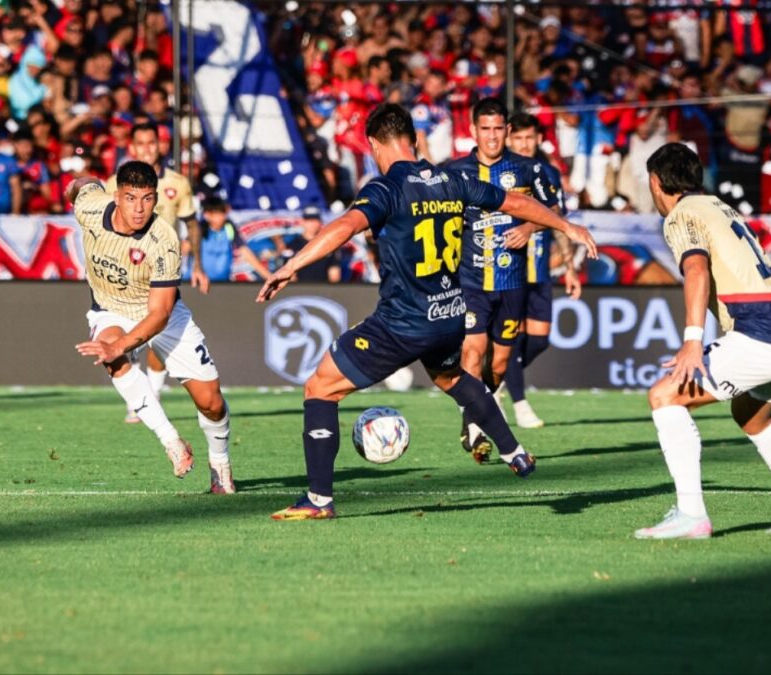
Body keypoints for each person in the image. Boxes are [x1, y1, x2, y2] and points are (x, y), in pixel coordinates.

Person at [256, 103, 598, 520]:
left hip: (404, 322)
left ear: (374, 144)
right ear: (414, 140)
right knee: (451, 376)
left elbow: (345, 226)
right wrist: (567, 226)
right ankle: (516, 453)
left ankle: (318, 500)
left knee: (320, 388)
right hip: (451, 313)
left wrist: (292, 265)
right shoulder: (454, 179)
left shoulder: (386, 188)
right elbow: (514, 203)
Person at [636, 143, 771, 540]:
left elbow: (695, 270)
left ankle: (692, 516)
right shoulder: (720, 207)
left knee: (664, 396)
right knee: (752, 415)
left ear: (656, 183)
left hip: (761, 332)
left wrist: (693, 341)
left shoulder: (682, 215)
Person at [67, 161, 236, 494]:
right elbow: (80, 186)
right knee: (111, 355)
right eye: (130, 198)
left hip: (164, 315)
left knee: (211, 402)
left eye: (147, 199)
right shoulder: (89, 208)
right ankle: (172, 441)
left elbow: (159, 313)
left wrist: (122, 344)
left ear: (155, 198)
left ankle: (220, 465)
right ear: (116, 195)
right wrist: (77, 184)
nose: (139, 208)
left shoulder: (164, 240)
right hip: (111, 310)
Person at [442, 98, 561, 463]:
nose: (492, 137)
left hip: (512, 281)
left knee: (499, 364)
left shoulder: (529, 170)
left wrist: (529, 225)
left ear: (507, 131)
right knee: (473, 352)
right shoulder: (454, 171)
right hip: (471, 280)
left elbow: (554, 210)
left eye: (498, 129)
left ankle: (483, 407)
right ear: (473, 131)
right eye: (485, 129)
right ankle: (473, 422)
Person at [105, 122, 209, 422]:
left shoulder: (178, 183)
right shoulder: (115, 182)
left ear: (159, 146)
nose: (147, 148)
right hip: (124, 270)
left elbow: (191, 223)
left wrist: (198, 265)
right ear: (132, 147)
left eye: (152, 143)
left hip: (162, 270)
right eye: (141, 143)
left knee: (157, 333)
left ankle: (152, 392)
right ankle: (139, 398)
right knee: (125, 333)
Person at [501, 112, 582, 428]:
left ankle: (496, 378)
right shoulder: (501, 171)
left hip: (541, 269)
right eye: (518, 138)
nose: (523, 144)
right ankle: (520, 405)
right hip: (509, 269)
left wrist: (570, 267)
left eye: (528, 138)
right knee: (512, 337)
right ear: (509, 139)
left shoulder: (547, 172)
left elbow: (558, 221)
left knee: (539, 340)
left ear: (538, 139)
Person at [198, 196, 272, 282]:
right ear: (207, 215)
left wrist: (269, 277)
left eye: (223, 213)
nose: (222, 217)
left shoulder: (229, 228)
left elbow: (245, 251)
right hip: (199, 282)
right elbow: (185, 248)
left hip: (223, 282)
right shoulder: (198, 229)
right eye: (217, 214)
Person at [277, 206, 342, 283]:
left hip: (323, 290)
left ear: (320, 222)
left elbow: (334, 275)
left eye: (315, 220)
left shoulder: (329, 245)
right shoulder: (292, 246)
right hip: (299, 290)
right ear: (302, 222)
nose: (312, 224)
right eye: (309, 220)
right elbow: (289, 275)